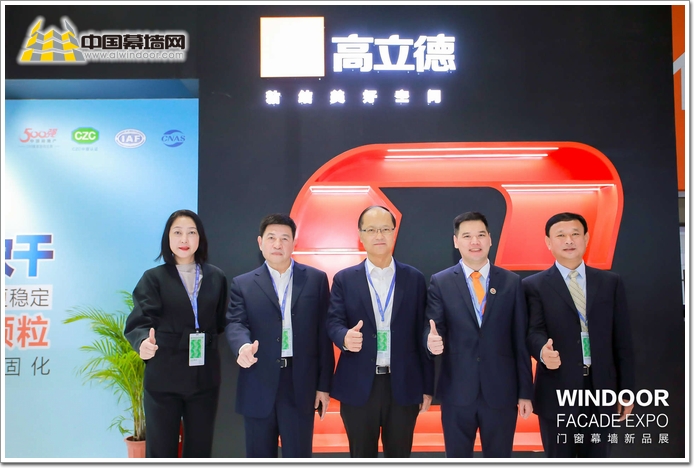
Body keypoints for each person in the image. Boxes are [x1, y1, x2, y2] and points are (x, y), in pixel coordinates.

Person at [326, 205, 435, 458]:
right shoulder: (344, 279)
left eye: (385, 229)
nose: (379, 235)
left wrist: (427, 386)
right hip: (358, 384)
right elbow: (333, 322)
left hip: (404, 384)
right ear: (360, 235)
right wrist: (344, 337)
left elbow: (423, 333)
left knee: (399, 456)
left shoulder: (415, 279)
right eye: (371, 230)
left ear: (394, 233)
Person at [524, 212, 635, 457]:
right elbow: (533, 331)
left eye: (575, 234)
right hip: (557, 389)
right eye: (560, 235)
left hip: (601, 389)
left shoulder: (610, 282)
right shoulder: (533, 285)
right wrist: (542, 351)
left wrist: (626, 390)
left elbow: (622, 340)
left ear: (586, 238)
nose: (569, 240)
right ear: (548, 242)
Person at [425, 211, 533, 458]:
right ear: (456, 242)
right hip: (457, 391)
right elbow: (433, 327)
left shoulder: (511, 282)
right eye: (467, 236)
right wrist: (431, 342)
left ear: (490, 239)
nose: (475, 242)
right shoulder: (441, 282)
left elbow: (520, 340)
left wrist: (525, 392)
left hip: (501, 392)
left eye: (481, 235)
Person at [225, 213, 334, 458]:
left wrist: (323, 386)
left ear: (294, 243)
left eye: (284, 238)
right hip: (258, 381)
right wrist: (242, 346)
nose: (277, 244)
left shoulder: (315, 280)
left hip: (300, 384)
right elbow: (235, 323)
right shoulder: (243, 284)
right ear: (260, 242)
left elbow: (323, 335)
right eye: (271, 237)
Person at [124, 209, 228, 458]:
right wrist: (143, 343)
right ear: (167, 238)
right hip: (164, 376)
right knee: (161, 450)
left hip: (204, 377)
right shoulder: (153, 278)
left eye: (191, 233)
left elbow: (220, 322)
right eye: (177, 232)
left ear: (200, 238)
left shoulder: (216, 277)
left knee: (200, 449)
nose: (184, 239)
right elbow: (139, 321)